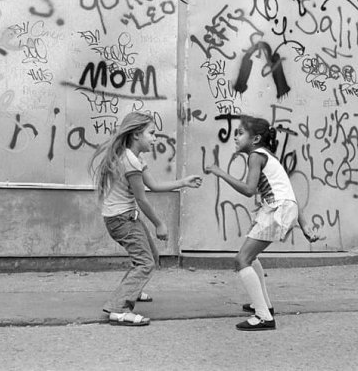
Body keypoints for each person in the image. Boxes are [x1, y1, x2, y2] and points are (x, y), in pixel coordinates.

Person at [205, 115, 319, 331]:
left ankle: (264, 316)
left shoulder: (256, 156)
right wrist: (303, 224)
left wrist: (220, 173)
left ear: (255, 139)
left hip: (277, 209)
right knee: (251, 256)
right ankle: (264, 305)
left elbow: (249, 190)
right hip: (282, 207)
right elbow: (289, 191)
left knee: (242, 260)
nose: (235, 137)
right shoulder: (268, 156)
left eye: (240, 133)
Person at [90, 111, 202, 326]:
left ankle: (131, 290)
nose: (155, 138)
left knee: (150, 256)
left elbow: (154, 185)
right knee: (145, 263)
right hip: (121, 220)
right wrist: (159, 224)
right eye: (151, 133)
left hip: (123, 217)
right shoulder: (130, 161)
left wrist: (184, 182)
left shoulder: (134, 157)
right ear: (136, 135)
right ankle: (118, 309)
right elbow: (141, 199)